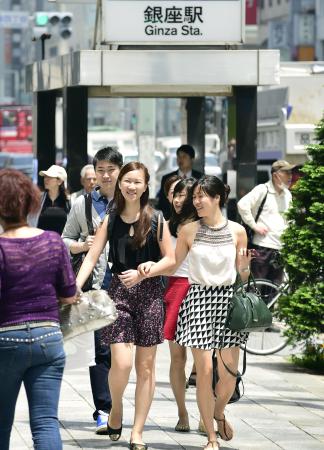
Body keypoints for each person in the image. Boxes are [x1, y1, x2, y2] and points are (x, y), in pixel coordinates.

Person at [139, 175, 253, 450]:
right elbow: (173, 264)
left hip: (229, 300)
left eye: (202, 196)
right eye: (196, 197)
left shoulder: (238, 231)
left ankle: (218, 413)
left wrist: (245, 266)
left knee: (229, 372)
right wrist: (148, 270)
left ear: (217, 199)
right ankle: (211, 438)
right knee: (204, 369)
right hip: (198, 299)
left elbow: (243, 275)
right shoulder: (189, 230)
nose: (196, 201)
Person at [76, 161, 175, 450]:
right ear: (120, 184)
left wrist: (149, 268)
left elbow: (171, 260)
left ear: (145, 186)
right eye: (127, 181)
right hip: (118, 293)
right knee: (120, 362)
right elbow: (92, 257)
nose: (131, 186)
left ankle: (138, 432)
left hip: (150, 296)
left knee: (146, 368)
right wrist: (74, 287)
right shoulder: (112, 217)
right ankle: (116, 408)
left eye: (137, 181)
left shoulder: (157, 219)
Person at [0, 168, 77, 450]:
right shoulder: (52, 241)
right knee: (45, 423)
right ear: (31, 202)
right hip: (49, 340)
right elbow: (70, 294)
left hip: (6, 340)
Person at [62, 147, 123, 434]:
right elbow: (64, 240)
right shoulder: (82, 204)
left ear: (120, 171)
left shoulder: (131, 203)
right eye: (101, 170)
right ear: (94, 173)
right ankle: (104, 409)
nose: (106, 174)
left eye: (111, 169)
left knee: (121, 353)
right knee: (99, 351)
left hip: (127, 287)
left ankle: (118, 407)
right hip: (96, 288)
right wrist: (81, 246)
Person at [163, 177, 197, 433]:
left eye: (183, 195)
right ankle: (182, 412)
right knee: (177, 357)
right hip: (173, 288)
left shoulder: (203, 226)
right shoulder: (165, 226)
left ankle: (210, 413)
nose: (177, 200)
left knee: (203, 359)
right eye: (174, 194)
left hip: (198, 288)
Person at [237, 159, 294, 285]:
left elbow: (289, 219)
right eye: (286, 173)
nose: (290, 177)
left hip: (280, 248)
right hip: (262, 247)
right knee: (257, 286)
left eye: (291, 173)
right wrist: (254, 225)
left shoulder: (288, 195)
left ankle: (270, 306)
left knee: (274, 288)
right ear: (275, 175)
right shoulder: (263, 189)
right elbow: (242, 205)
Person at [156, 144, 203, 219]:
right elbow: (162, 203)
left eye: (184, 156)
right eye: (178, 156)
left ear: (192, 159)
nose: (180, 159)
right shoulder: (167, 178)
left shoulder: (200, 178)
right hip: (171, 219)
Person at [29, 164, 70, 235]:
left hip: (62, 244)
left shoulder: (70, 201)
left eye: (50, 177)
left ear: (59, 181)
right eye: (45, 177)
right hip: (41, 243)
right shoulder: (37, 199)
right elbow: (30, 221)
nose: (46, 179)